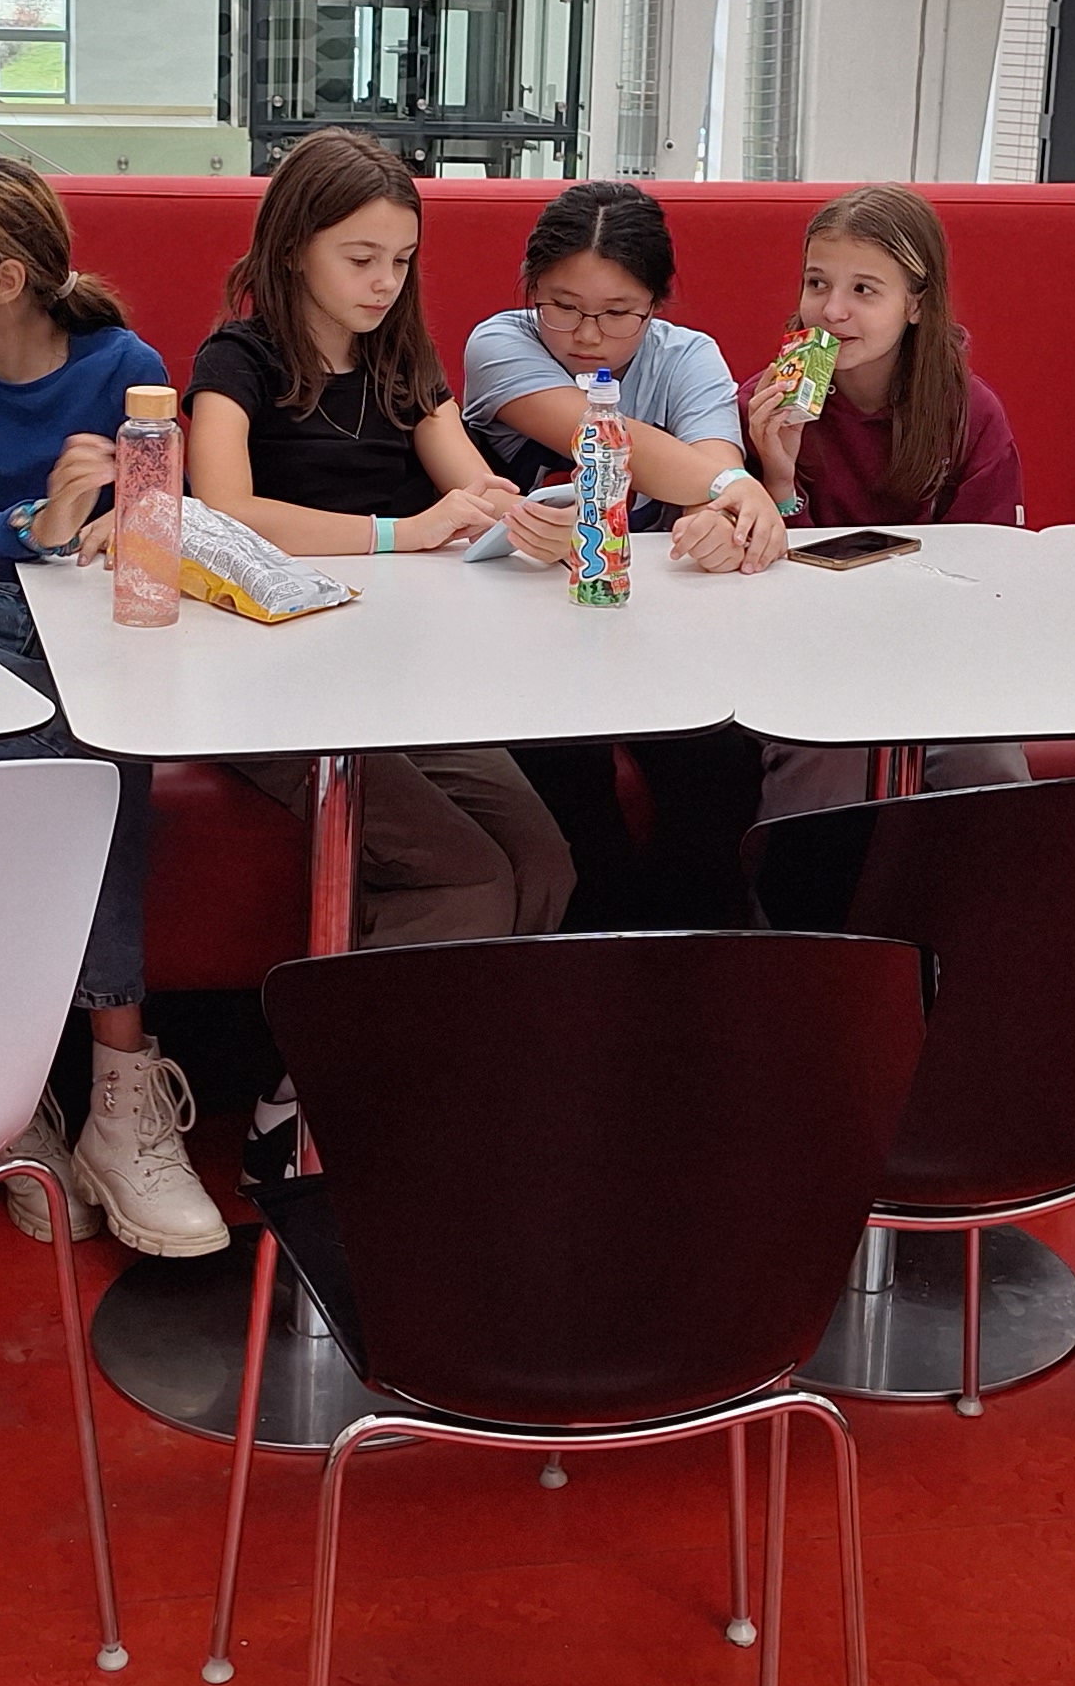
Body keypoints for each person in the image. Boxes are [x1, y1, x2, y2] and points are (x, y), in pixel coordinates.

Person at [185, 127, 579, 1172]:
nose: (383, 281)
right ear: (294, 247)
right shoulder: (238, 359)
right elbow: (220, 508)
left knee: (543, 861)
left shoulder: (403, 361)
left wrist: (521, 514)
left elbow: (470, 482)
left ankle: (443, 1073)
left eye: (401, 260)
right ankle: (304, 1104)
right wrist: (403, 533)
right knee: (463, 877)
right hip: (270, 680)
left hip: (405, 676)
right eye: (360, 257)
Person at [0, 154, 222, 1261]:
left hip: (83, 614)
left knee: (105, 753)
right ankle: (19, 1090)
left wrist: (113, 523)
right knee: (39, 768)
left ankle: (118, 1101)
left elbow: (155, 518)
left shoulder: (127, 366)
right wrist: (39, 521)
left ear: (5, 278)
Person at [459, 179, 782, 918]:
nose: (586, 334)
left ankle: (697, 957)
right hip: (520, 637)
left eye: (618, 313)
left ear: (656, 303)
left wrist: (717, 520)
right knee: (568, 778)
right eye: (563, 305)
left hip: (654, 635)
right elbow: (608, 435)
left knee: (718, 766)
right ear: (531, 289)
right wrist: (733, 486)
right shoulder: (501, 343)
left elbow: (709, 477)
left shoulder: (689, 357)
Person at [742, 183, 1030, 819]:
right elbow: (750, 590)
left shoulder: (969, 413)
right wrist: (780, 482)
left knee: (989, 763)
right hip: (803, 663)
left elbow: (994, 573)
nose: (832, 311)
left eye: (864, 290)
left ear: (916, 304)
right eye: (817, 284)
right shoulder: (759, 407)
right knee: (831, 758)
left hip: (939, 658)